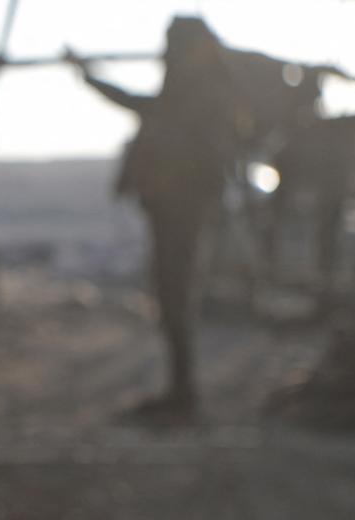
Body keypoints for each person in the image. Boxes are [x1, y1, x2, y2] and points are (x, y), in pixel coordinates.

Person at [69, 17, 241, 421]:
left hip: (183, 210)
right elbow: (141, 105)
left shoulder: (203, 96)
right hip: (170, 209)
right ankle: (181, 391)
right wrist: (88, 75)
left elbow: (186, 141)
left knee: (175, 297)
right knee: (170, 297)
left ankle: (184, 395)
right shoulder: (185, 93)